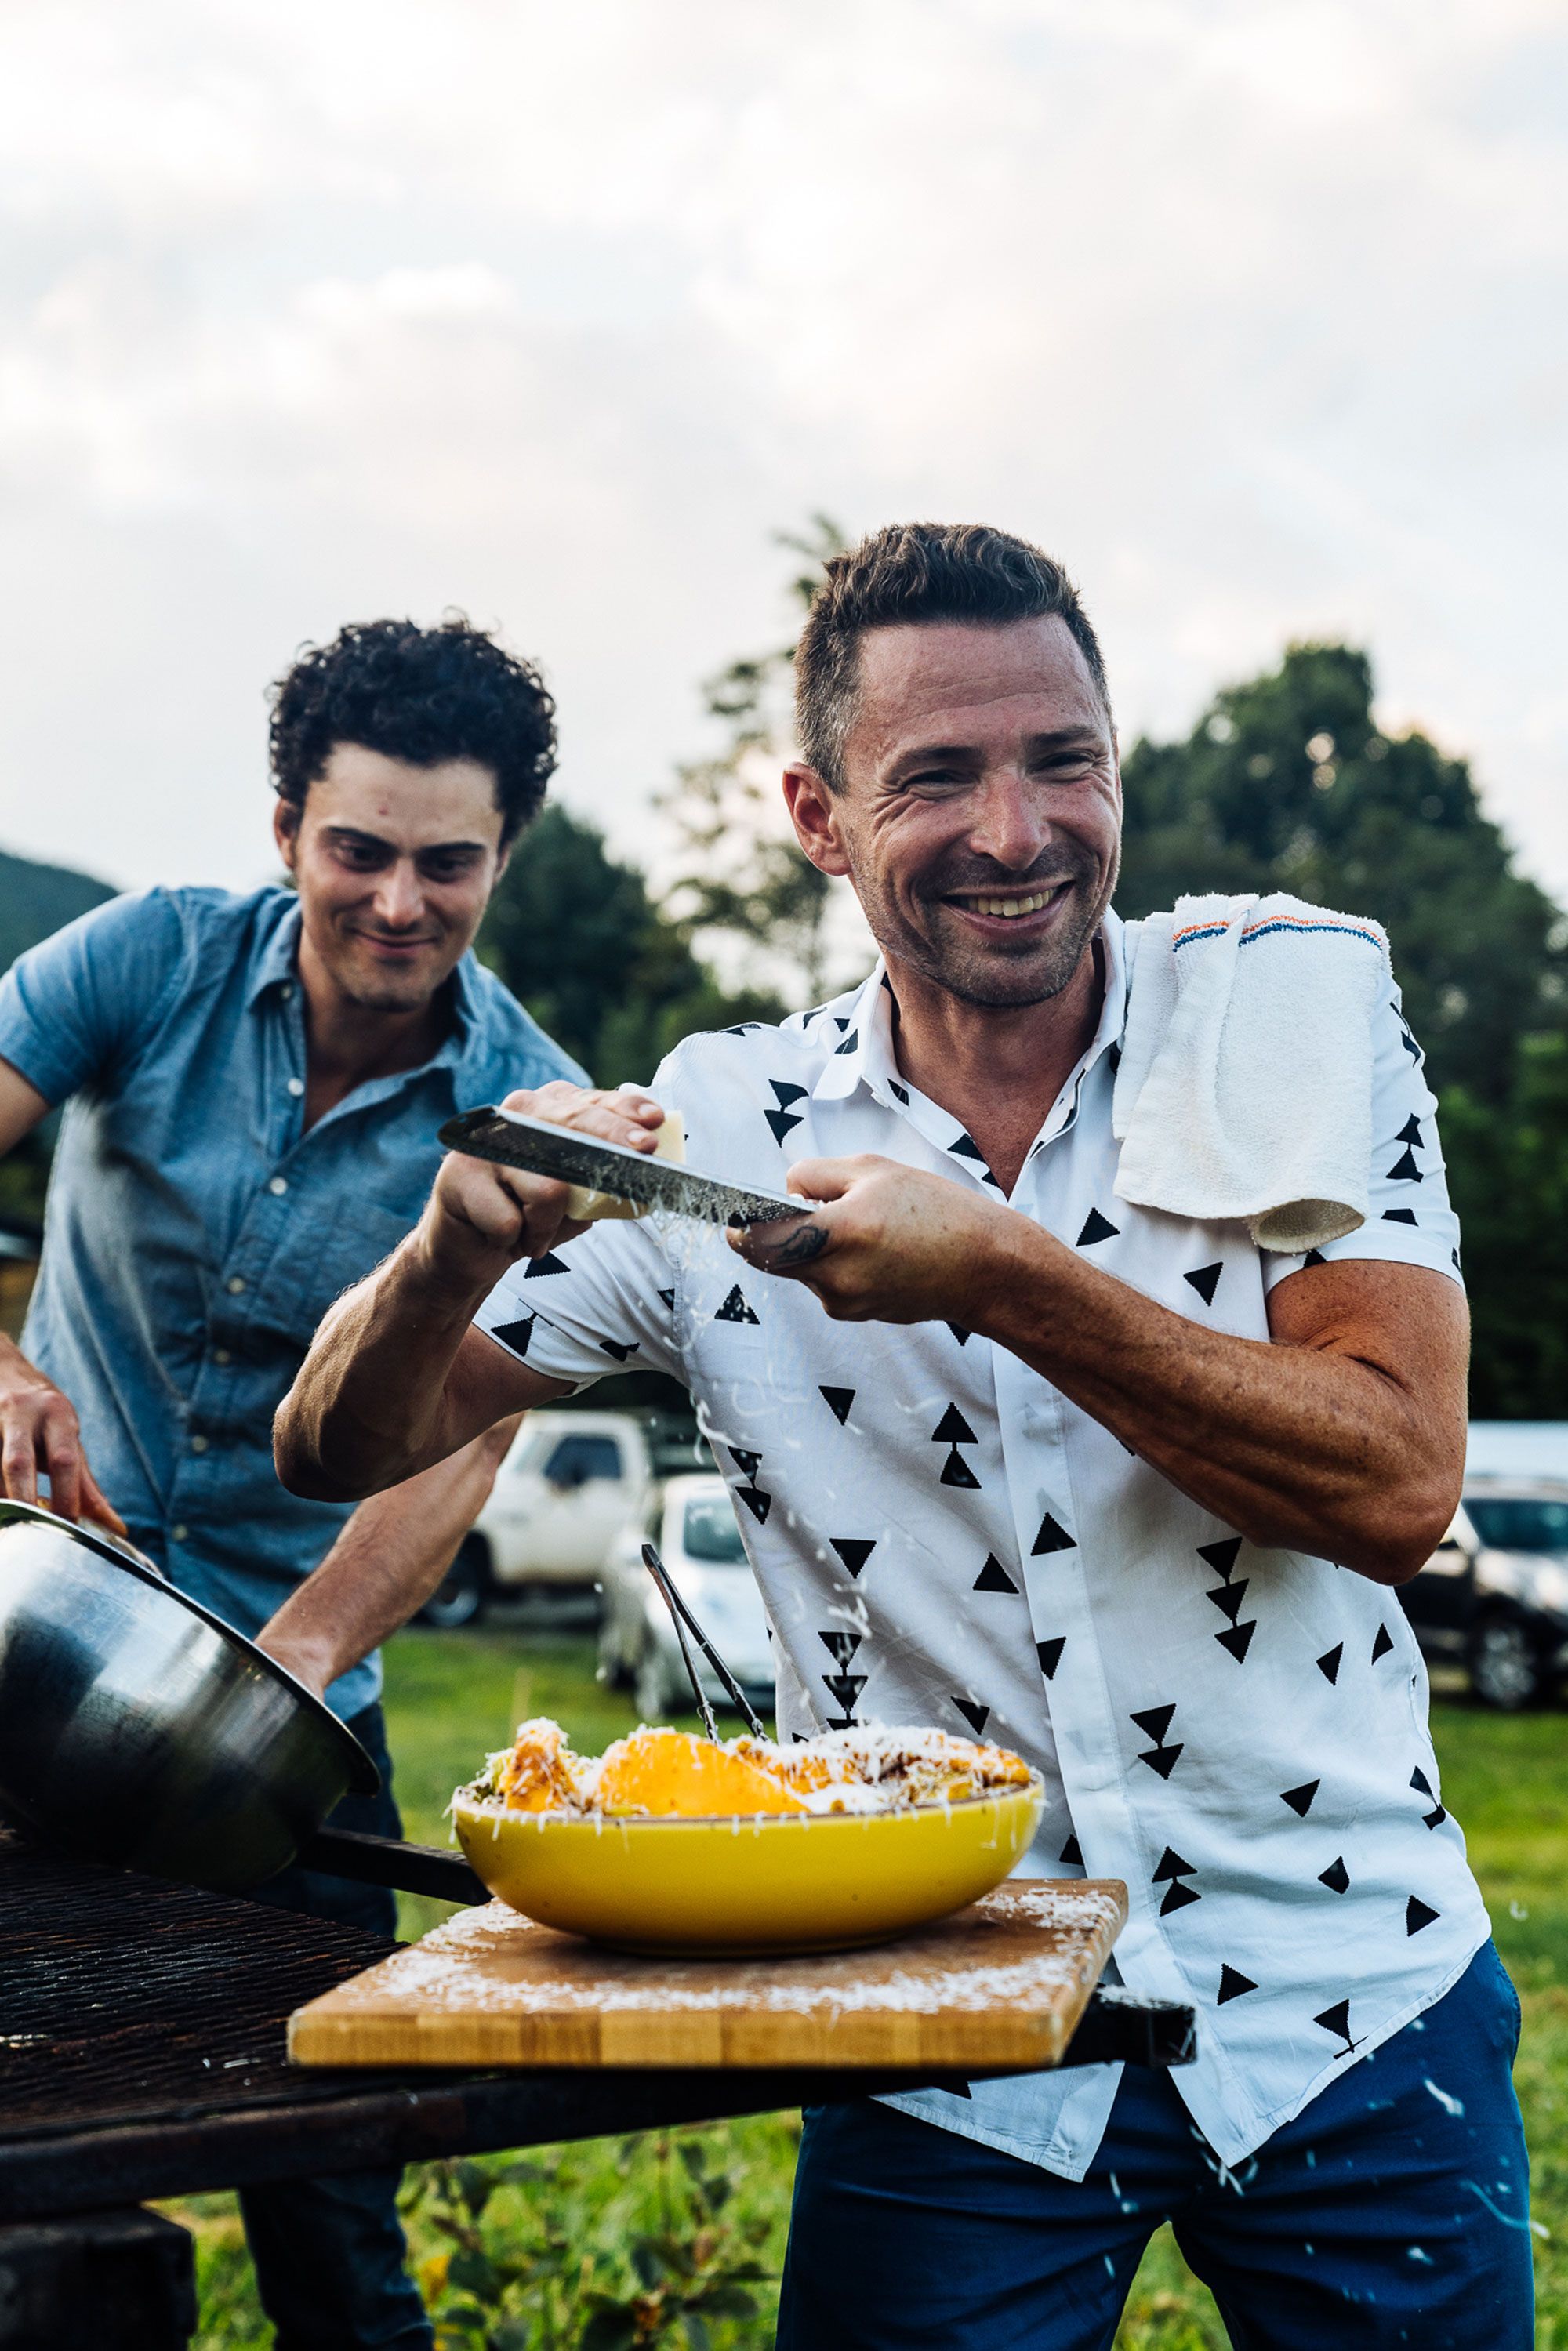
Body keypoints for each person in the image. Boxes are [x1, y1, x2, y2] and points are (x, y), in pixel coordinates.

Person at [274, 528, 1530, 2350]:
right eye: (936, 775)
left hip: (1351, 2001)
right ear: (817, 812)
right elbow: (334, 1445)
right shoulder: (718, 1125)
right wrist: (446, 1247)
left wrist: (1008, 1278)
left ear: (1118, 761)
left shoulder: (1281, 1013)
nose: (1017, 832)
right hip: (941, 2034)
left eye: (1061, 761)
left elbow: (1397, 1485)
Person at [0, 616, 585, 2351]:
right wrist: (4, 1369)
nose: (399, 901)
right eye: (359, 851)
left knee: (326, 2189)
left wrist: (293, 1671)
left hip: (288, 1695)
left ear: (501, 862)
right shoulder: (149, 961)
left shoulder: (526, 1107)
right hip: (28, 1631)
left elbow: (464, 1436)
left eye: (447, 862)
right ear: (286, 832)